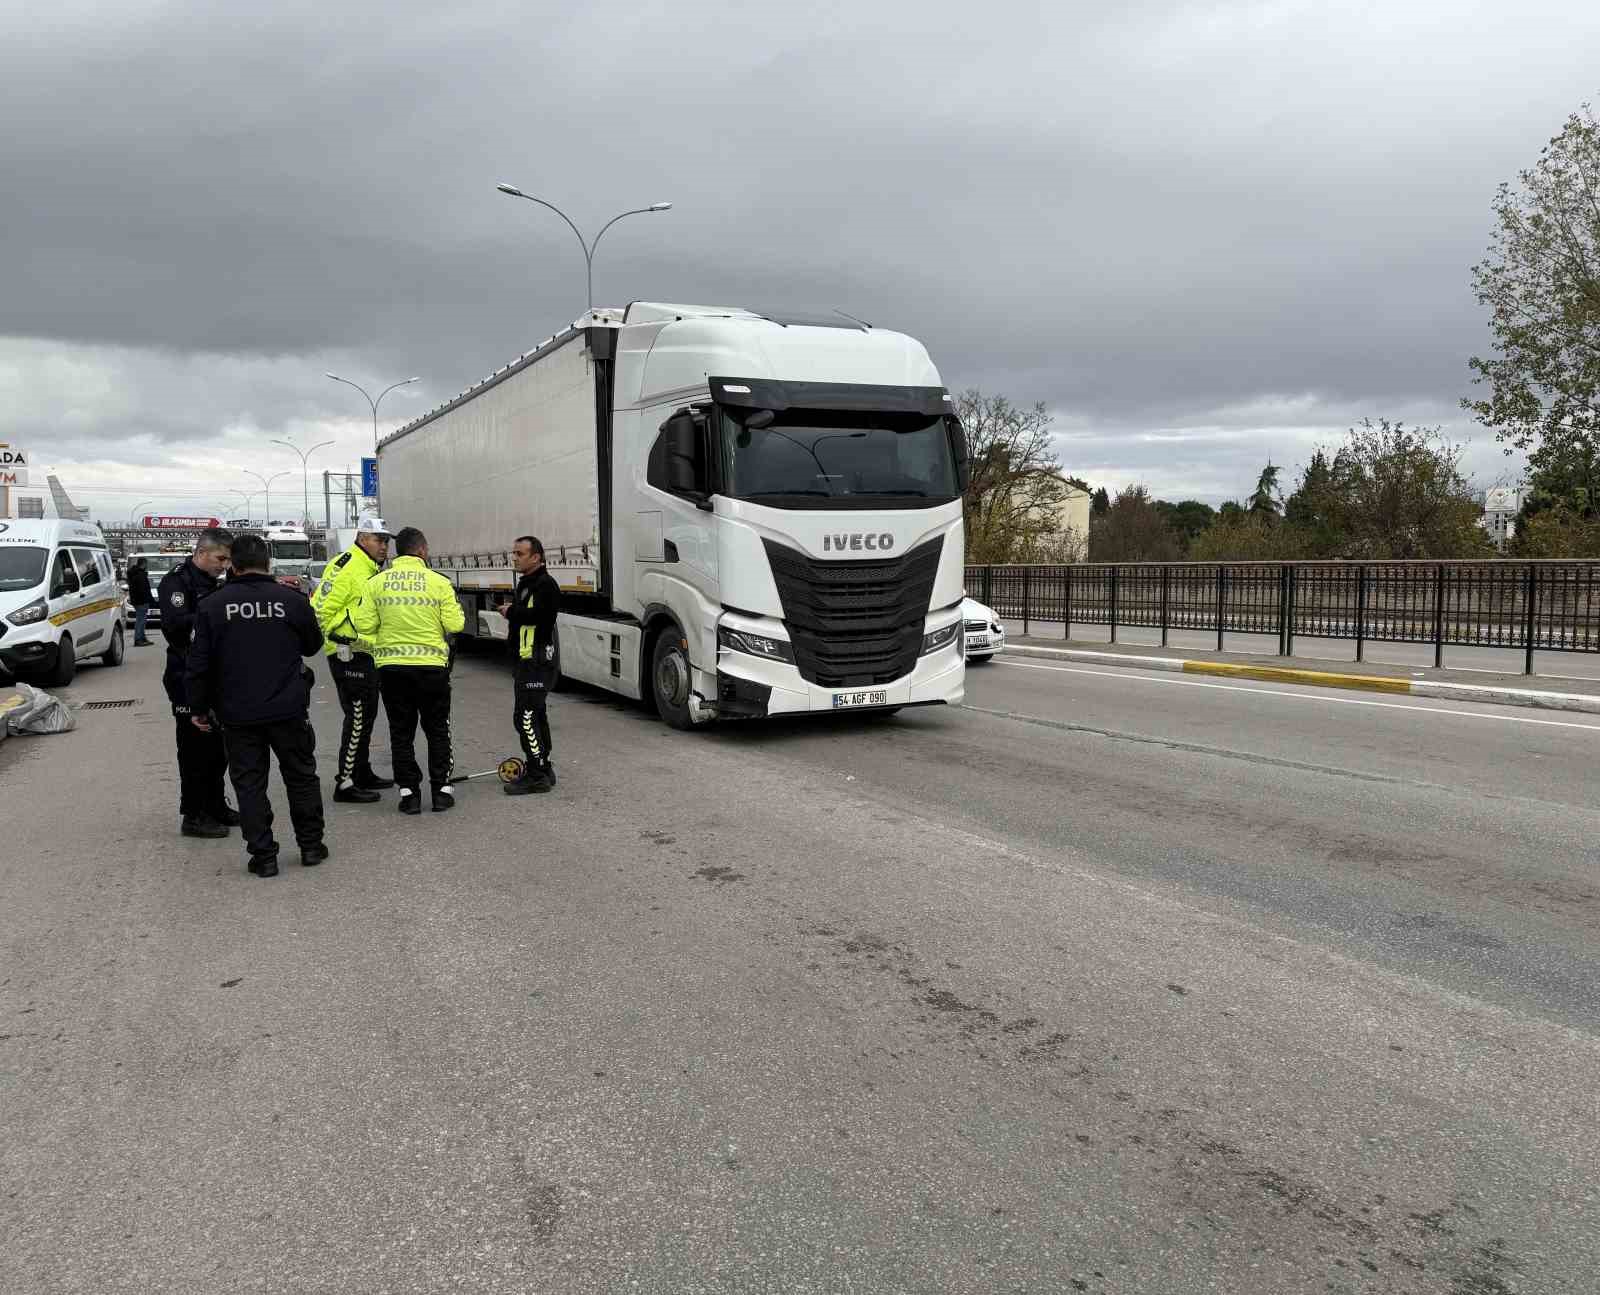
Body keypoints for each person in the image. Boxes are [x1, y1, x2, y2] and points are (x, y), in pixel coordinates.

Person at [185, 534, 326, 878]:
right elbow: (312, 646)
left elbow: (198, 664)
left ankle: (263, 856)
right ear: (269, 563)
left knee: (249, 784)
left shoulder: (213, 605)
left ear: (232, 564)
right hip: (288, 709)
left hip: (237, 712)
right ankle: (310, 846)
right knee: (301, 777)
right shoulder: (291, 600)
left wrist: (198, 708)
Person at [349, 526, 464, 814]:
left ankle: (409, 794)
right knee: (438, 731)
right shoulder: (438, 582)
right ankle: (441, 792)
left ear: (398, 551)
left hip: (392, 670)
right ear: (422, 550)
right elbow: (455, 625)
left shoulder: (376, 582)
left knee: (401, 733)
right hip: (431, 669)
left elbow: (363, 626)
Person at [310, 515, 394, 804]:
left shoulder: (370, 567)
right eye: (378, 539)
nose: (384, 546)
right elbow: (319, 610)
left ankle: (361, 771)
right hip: (348, 653)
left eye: (386, 540)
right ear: (361, 538)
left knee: (366, 716)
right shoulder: (345, 565)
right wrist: (340, 639)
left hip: (366, 651)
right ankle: (344, 783)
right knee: (358, 716)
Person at [158, 528, 236, 839]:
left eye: (229, 559)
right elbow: (175, 628)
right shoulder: (177, 582)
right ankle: (193, 815)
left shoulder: (219, 582)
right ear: (201, 553)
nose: (225, 564)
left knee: (218, 749)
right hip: (186, 677)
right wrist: (214, 618)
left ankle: (216, 805)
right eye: (220, 558)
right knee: (193, 750)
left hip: (216, 676)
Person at [497, 535, 560, 795]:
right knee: (536, 714)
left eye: (520, 553)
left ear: (536, 557)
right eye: (514, 552)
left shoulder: (545, 584)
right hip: (526, 660)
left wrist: (511, 612)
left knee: (525, 718)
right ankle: (543, 768)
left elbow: (542, 617)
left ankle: (536, 775)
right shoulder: (527, 583)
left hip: (536, 661)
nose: (515, 557)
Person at [126, 558, 154, 646]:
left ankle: (142, 638)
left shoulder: (135, 573)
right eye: (146, 564)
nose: (147, 566)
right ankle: (138, 639)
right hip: (141, 601)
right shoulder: (140, 575)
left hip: (137, 601)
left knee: (142, 620)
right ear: (143, 564)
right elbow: (144, 590)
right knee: (141, 621)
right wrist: (150, 599)